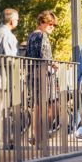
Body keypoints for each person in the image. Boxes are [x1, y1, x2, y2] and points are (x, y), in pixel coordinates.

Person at [25, 10, 58, 146]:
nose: (52, 27)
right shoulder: (42, 36)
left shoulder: (32, 35)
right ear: (42, 22)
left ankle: (37, 137)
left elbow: (28, 55)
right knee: (51, 107)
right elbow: (46, 58)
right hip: (43, 74)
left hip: (33, 74)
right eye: (50, 24)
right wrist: (54, 64)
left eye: (54, 25)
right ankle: (40, 138)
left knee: (37, 107)